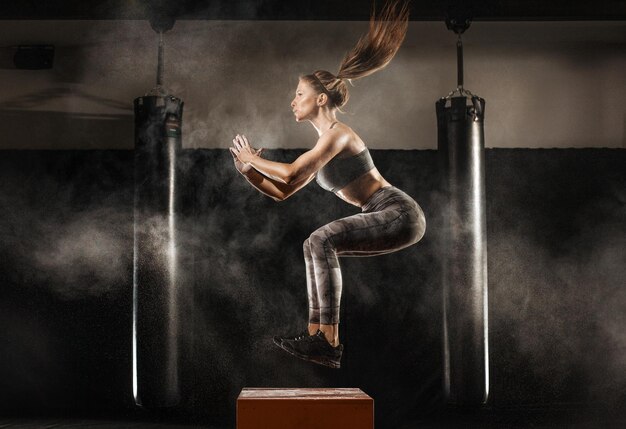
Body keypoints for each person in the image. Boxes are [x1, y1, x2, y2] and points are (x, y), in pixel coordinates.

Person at [230, 0, 425, 369]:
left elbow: (287, 173)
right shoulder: (324, 144)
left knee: (321, 240)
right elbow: (283, 191)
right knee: (314, 245)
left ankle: (328, 340)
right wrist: (249, 174)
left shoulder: (338, 135)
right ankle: (318, 336)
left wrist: (252, 158)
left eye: (299, 94)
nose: (293, 101)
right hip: (384, 214)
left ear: (321, 99)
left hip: (399, 212)